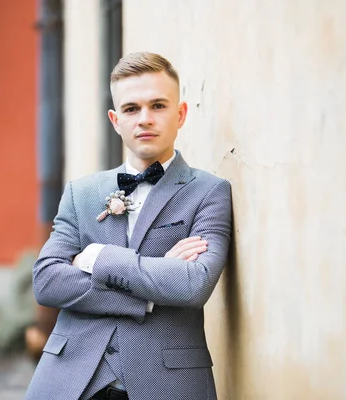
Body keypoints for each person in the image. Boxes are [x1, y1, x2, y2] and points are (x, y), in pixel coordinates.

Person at [25, 51, 233, 400]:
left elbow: (195, 285)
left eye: (158, 106)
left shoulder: (209, 192)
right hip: (71, 377)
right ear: (115, 119)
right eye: (132, 109)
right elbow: (47, 281)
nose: (144, 119)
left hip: (166, 381)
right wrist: (152, 292)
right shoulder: (81, 193)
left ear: (180, 114)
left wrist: (96, 258)